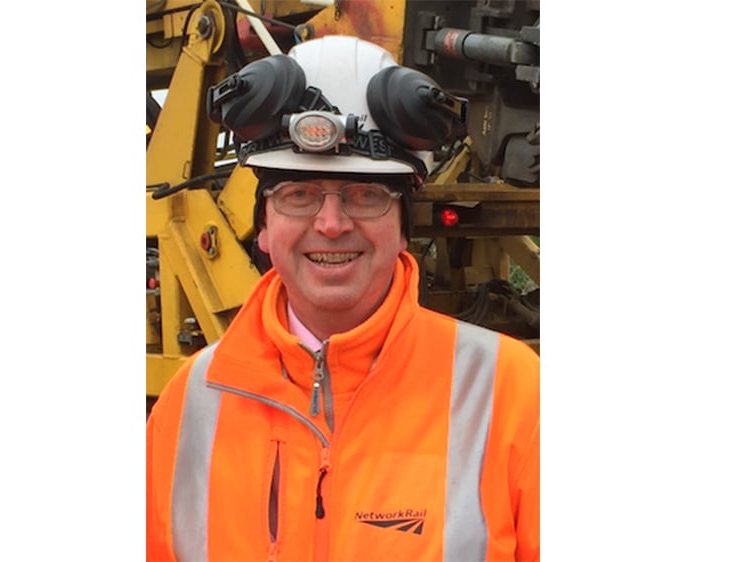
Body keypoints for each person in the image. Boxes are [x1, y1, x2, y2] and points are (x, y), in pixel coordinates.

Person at [147, 35, 539, 561]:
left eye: (367, 194)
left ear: (405, 227)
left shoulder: (511, 393)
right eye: (299, 194)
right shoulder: (189, 403)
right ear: (262, 226)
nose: (331, 224)